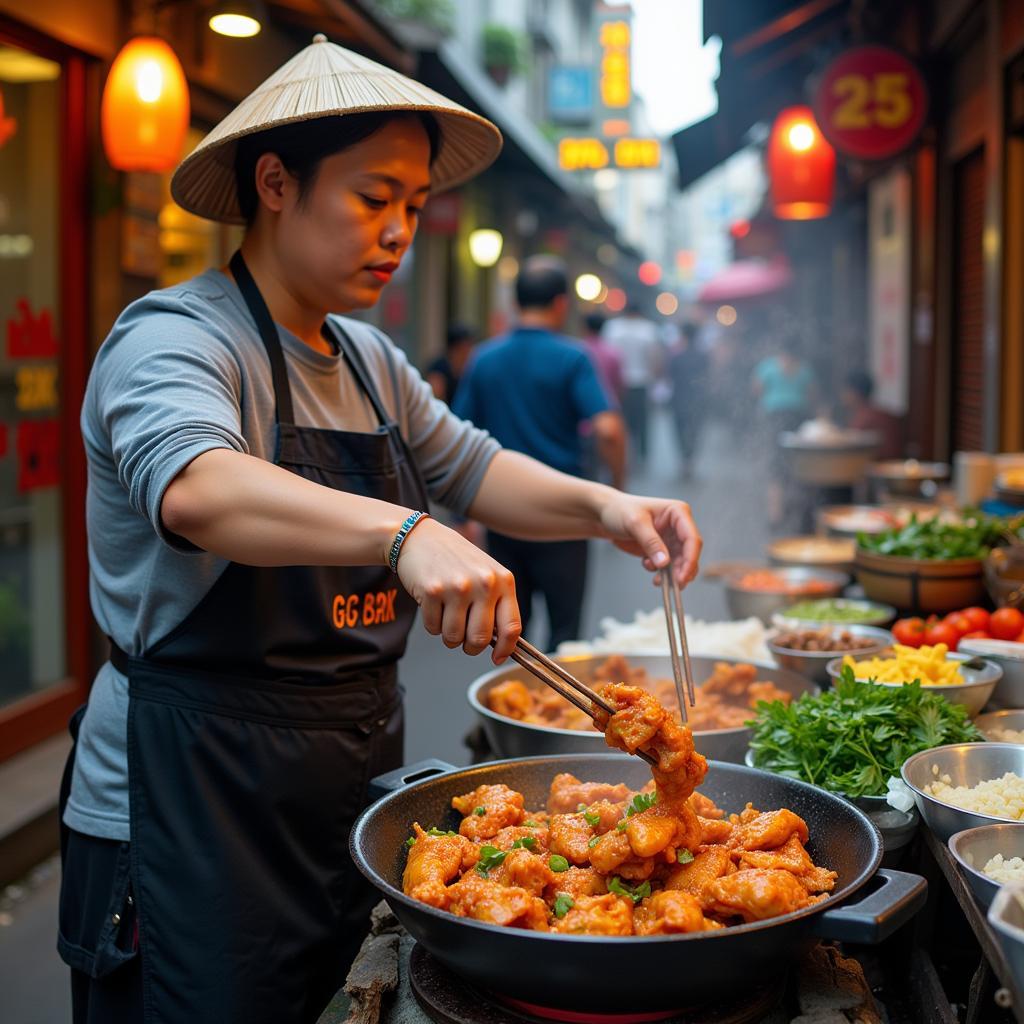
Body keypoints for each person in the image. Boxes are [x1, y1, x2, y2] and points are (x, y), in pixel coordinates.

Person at [57, 37, 701, 1024]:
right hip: (186, 802)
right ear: (275, 181)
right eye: (373, 197)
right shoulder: (175, 336)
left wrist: (609, 508)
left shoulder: (366, 358)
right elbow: (196, 487)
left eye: (411, 205)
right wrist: (406, 532)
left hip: (344, 787)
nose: (399, 230)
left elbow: (475, 465)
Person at [453, 257, 627, 648]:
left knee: (513, 635)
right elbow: (609, 430)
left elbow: (456, 437)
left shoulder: (485, 358)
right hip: (564, 515)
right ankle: (561, 709)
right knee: (566, 637)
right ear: (562, 304)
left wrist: (463, 514)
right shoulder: (572, 357)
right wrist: (617, 490)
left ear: (516, 303)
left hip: (501, 513)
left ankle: (512, 705)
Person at [751, 336, 818, 526]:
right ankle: (796, 506)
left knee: (776, 464)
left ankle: (776, 513)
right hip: (798, 416)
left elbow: (756, 389)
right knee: (797, 461)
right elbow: (812, 394)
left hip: (775, 417)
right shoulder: (804, 369)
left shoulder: (768, 366)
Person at [601, 301, 662, 465]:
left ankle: (622, 452)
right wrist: (656, 380)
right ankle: (642, 455)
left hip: (619, 383)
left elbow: (607, 356)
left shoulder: (612, 327)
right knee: (641, 422)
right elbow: (654, 357)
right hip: (641, 382)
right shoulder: (648, 329)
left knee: (621, 420)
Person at [668, 321, 708, 479]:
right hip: (698, 399)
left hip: (679, 398)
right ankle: (689, 459)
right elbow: (707, 377)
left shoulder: (676, 357)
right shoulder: (703, 356)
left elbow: (670, 377)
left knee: (679, 430)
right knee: (695, 430)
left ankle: (684, 459)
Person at [840, 369, 902, 460]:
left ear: (855, 393)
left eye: (845, 391)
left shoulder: (865, 419)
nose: (842, 396)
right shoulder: (878, 414)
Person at [425, 320, 474, 405]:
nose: (469, 353)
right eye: (465, 349)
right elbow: (433, 402)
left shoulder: (469, 369)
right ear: (454, 350)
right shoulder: (438, 370)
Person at [581, 310, 623, 404]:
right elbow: (619, 383)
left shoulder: (578, 351)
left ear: (585, 327)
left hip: (581, 406)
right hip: (607, 403)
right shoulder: (612, 353)